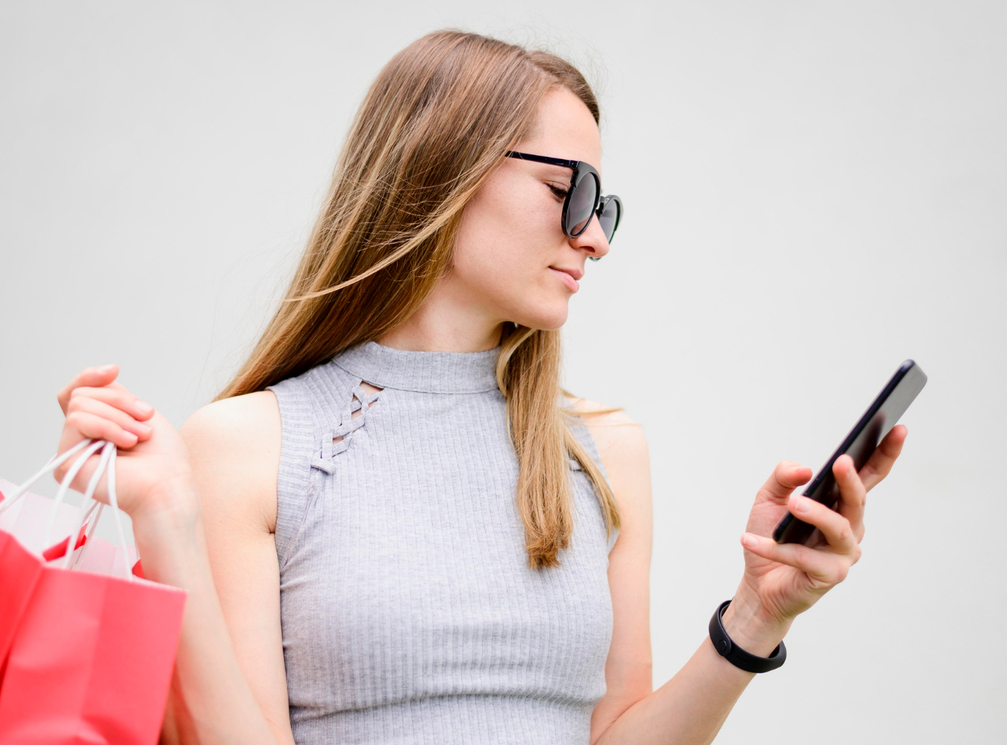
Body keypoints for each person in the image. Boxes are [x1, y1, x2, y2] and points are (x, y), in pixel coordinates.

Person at [52, 30, 907, 745]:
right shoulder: (252, 443)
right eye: (569, 191)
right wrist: (164, 516)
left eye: (605, 207)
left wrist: (759, 614)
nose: (594, 238)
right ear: (445, 167)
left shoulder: (604, 452)